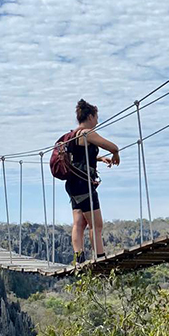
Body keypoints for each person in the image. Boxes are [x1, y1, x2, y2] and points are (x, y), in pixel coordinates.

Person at [65, 99, 120, 263]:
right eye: (96, 117)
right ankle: (100, 258)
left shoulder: (73, 135)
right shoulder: (86, 133)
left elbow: (78, 158)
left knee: (79, 223)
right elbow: (113, 146)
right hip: (84, 185)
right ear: (90, 116)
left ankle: (79, 259)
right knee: (96, 225)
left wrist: (99, 159)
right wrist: (115, 154)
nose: (97, 120)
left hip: (72, 184)